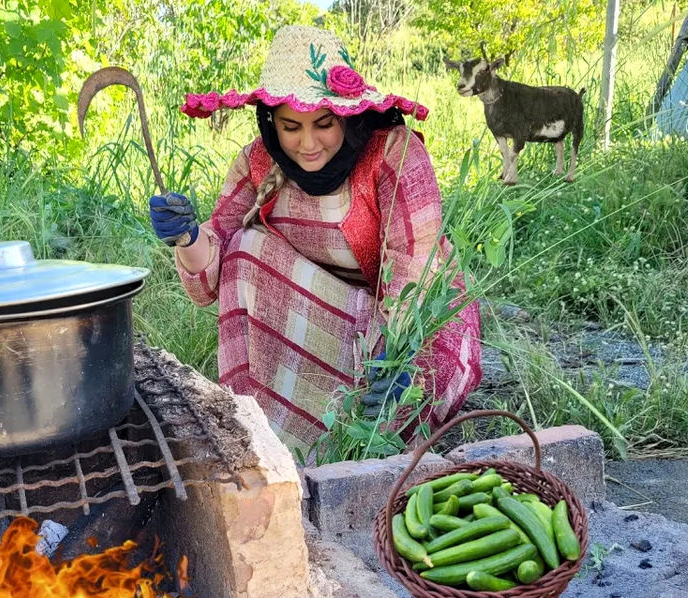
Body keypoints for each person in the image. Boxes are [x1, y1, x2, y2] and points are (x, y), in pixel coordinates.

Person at [148, 25, 482, 455]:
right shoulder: (258, 161)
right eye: (290, 127)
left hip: (411, 326)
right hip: (325, 314)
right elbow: (213, 271)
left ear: (348, 115)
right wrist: (186, 237)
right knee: (246, 253)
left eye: (323, 124)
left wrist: (398, 361)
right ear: (271, 122)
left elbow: (415, 271)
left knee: (385, 426)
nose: (308, 144)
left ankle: (351, 441)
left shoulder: (391, 154)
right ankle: (264, 443)